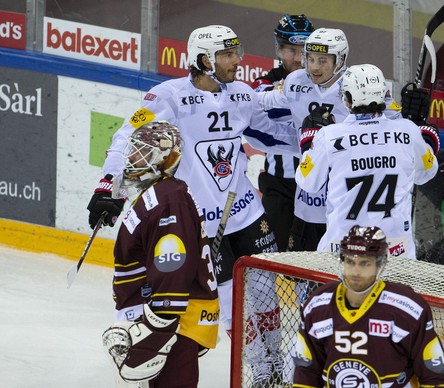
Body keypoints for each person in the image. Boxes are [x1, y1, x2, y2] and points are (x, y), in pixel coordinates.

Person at [88, 25, 297, 386]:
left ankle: (274, 364)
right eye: (228, 55)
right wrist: (109, 187)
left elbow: (272, 136)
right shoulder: (165, 97)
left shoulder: (242, 94)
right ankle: (257, 369)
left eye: (237, 51)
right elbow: (129, 137)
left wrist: (319, 137)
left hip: (246, 213)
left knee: (266, 297)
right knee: (232, 307)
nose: (238, 60)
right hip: (201, 224)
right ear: (204, 60)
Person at [101, 121, 219, 387]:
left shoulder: (169, 200)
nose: (131, 158)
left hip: (175, 320)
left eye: (141, 152)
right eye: (132, 150)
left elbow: (173, 265)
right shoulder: (158, 193)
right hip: (163, 314)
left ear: (164, 158)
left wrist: (159, 325)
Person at [295, 64, 439, 259]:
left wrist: (308, 141)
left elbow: (307, 182)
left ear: (347, 100)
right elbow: (427, 173)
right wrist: (426, 134)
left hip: (343, 252)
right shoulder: (407, 131)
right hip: (396, 252)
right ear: (384, 95)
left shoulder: (329, 136)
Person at [292, 225, 444, 387]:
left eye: (364, 263)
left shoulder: (409, 310)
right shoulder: (318, 306)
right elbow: (306, 373)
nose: (355, 272)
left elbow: (434, 376)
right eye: (350, 261)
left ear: (380, 265)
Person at [257, 27, 350, 253]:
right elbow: (264, 100)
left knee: (339, 272)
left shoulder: (356, 85)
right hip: (307, 195)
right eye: (310, 59)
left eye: (323, 60)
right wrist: (228, 97)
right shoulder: (296, 80)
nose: (314, 67)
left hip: (345, 195)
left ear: (340, 60)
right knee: (299, 270)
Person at [251, 14, 315, 252]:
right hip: (279, 186)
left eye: (303, 50)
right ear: (278, 50)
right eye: (290, 50)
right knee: (271, 256)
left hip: (316, 186)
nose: (298, 59)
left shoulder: (325, 81)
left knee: (313, 258)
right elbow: (259, 105)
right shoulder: (265, 82)